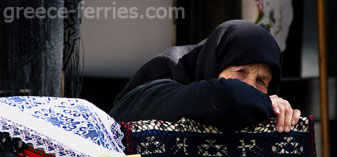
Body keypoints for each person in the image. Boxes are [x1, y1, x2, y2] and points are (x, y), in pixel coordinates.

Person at [110, 20, 301, 133]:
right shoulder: (163, 75)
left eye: (261, 80)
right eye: (240, 71)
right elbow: (230, 96)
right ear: (214, 63)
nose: (250, 86)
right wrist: (266, 104)